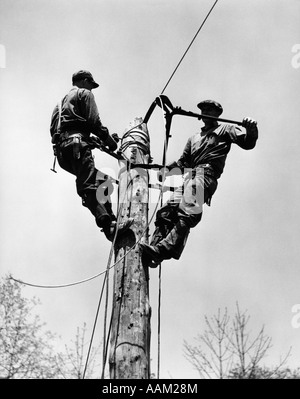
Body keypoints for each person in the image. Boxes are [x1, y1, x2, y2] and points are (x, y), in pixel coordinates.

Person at [140, 99, 258, 267]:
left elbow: (248, 143)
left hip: (206, 174)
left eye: (210, 110)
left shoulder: (225, 129)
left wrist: (251, 130)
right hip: (191, 176)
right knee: (166, 211)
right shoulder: (194, 138)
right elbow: (183, 164)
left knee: (188, 210)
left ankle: (165, 249)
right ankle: (155, 247)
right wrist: (166, 171)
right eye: (204, 110)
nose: (206, 113)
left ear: (217, 114)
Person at [50, 70, 133, 241]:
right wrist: (108, 140)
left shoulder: (59, 104)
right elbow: (94, 122)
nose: (92, 89)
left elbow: (58, 131)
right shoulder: (84, 94)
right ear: (85, 81)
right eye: (91, 85)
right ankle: (106, 223)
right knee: (89, 185)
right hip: (77, 147)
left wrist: (91, 140)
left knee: (104, 181)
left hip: (63, 155)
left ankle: (110, 221)